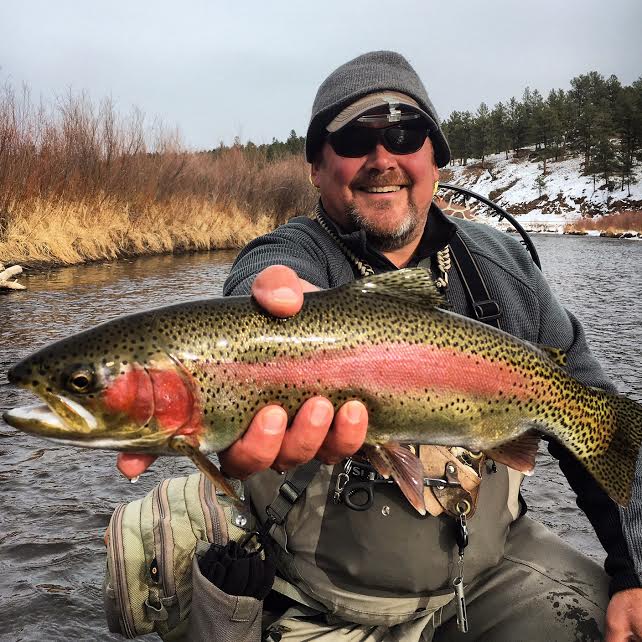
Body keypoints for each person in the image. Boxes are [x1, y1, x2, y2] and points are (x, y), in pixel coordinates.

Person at [120, 51, 642, 640]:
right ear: (317, 167)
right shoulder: (296, 252)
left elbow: (605, 428)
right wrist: (265, 307)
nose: (381, 158)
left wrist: (633, 575)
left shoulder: (502, 269)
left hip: (486, 575)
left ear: (436, 159)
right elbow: (264, 277)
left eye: (404, 134)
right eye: (352, 141)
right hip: (324, 602)